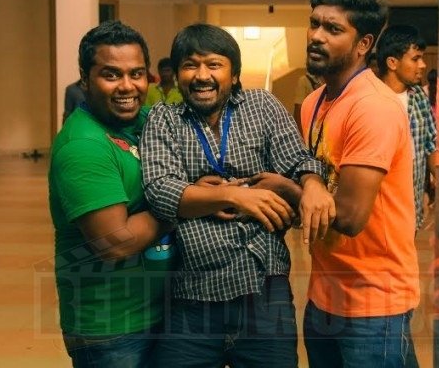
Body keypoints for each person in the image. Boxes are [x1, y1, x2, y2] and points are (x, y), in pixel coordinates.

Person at [140, 23, 334, 367]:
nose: (202, 76)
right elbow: (161, 190)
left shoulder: (261, 107)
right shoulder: (164, 118)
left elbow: (298, 163)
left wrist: (313, 184)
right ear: (177, 74)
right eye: (190, 65)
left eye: (214, 64)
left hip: (264, 293)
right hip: (191, 296)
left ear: (234, 73)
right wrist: (238, 196)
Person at [300, 0, 420, 367]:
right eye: (314, 23)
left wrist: (281, 189)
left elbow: (350, 217)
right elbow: (313, 175)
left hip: (374, 303)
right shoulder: (314, 102)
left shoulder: (373, 107)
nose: (317, 36)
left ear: (364, 44)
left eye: (333, 29)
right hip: (324, 292)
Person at [48, 20, 174, 367]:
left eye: (136, 74)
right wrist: (183, 203)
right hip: (112, 329)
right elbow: (114, 242)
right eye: (111, 75)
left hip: (160, 313)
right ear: (85, 79)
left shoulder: (146, 122)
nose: (127, 86)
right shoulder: (83, 145)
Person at [370, 24, 437, 230]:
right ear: (392, 62)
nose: (423, 65)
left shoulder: (419, 97)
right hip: (378, 209)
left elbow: (431, 144)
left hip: (411, 205)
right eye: (415, 59)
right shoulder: (370, 99)